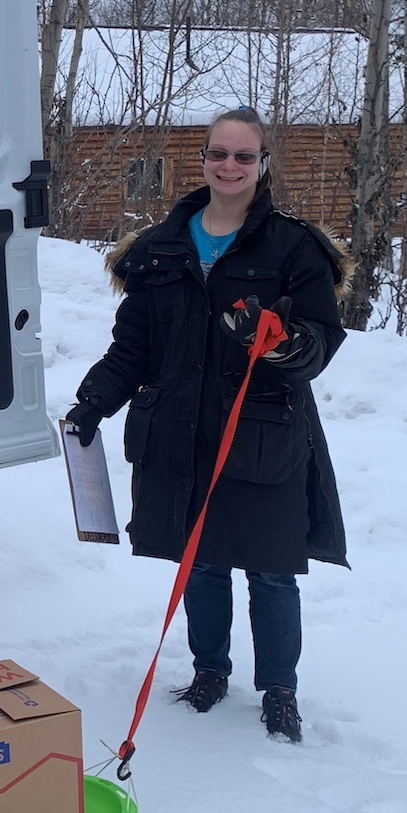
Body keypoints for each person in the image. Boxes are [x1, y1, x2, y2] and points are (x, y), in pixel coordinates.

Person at [65, 106, 349, 743]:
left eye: (243, 157)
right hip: (180, 434)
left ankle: (280, 689)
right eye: (219, 154)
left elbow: (321, 340)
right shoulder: (160, 248)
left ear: (263, 165)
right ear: (203, 160)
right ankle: (209, 672)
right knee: (200, 562)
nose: (229, 166)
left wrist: (279, 345)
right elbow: (132, 348)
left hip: (262, 436)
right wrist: (93, 402)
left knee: (272, 568)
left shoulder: (293, 246)